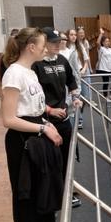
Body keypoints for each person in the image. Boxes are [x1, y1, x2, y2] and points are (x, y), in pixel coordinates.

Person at [1, 27, 66, 222]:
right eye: (42, 45)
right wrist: (42, 129)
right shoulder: (13, 74)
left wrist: (47, 124)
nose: (45, 49)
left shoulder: (30, 72)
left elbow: (36, 108)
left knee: (44, 187)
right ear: (31, 47)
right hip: (22, 140)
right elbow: (9, 119)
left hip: (38, 131)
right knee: (26, 194)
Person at [32, 27, 82, 207]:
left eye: (59, 42)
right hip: (45, 120)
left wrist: (75, 97)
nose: (57, 45)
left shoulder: (62, 60)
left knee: (67, 155)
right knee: (51, 159)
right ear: (43, 43)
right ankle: (54, 194)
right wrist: (50, 110)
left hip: (64, 118)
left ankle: (67, 190)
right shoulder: (36, 65)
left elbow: (71, 80)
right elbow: (32, 96)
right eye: (53, 42)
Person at [68, 28, 90, 128]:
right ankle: (79, 118)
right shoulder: (66, 47)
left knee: (85, 96)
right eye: (71, 34)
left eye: (75, 35)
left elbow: (86, 60)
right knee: (74, 96)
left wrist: (84, 69)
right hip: (71, 76)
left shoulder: (80, 46)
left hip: (81, 73)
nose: (73, 36)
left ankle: (79, 114)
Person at [95, 28, 111, 97]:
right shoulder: (101, 49)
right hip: (104, 69)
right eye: (106, 41)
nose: (108, 42)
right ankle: (105, 96)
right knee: (106, 82)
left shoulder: (110, 49)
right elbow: (97, 43)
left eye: (108, 41)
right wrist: (101, 34)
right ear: (103, 43)